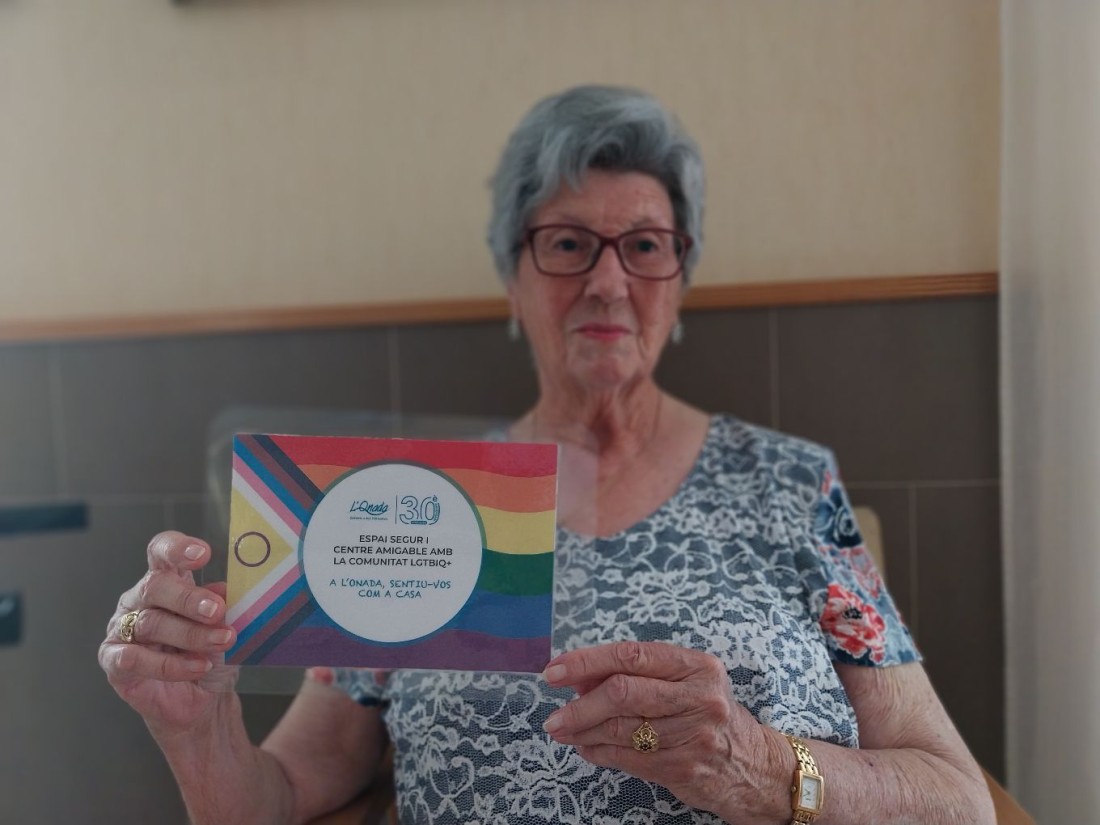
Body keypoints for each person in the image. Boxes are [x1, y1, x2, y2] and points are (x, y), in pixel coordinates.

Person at [99, 85, 995, 824]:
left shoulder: (792, 484)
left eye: (644, 246)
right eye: (567, 244)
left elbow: (957, 799)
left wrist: (758, 765)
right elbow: (281, 792)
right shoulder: (413, 501)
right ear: (512, 277)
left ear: (679, 279)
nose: (608, 281)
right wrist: (197, 728)